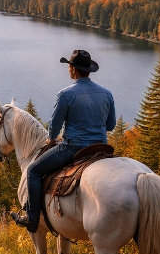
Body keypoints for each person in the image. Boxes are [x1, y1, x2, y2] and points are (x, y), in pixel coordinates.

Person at [11, 49, 116, 233]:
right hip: (101, 147)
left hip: (74, 147)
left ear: (74, 69)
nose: (68, 69)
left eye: (69, 66)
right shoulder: (107, 93)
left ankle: (32, 219)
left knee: (33, 171)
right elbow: (111, 125)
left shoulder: (66, 94)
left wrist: (52, 139)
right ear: (88, 70)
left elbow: (54, 127)